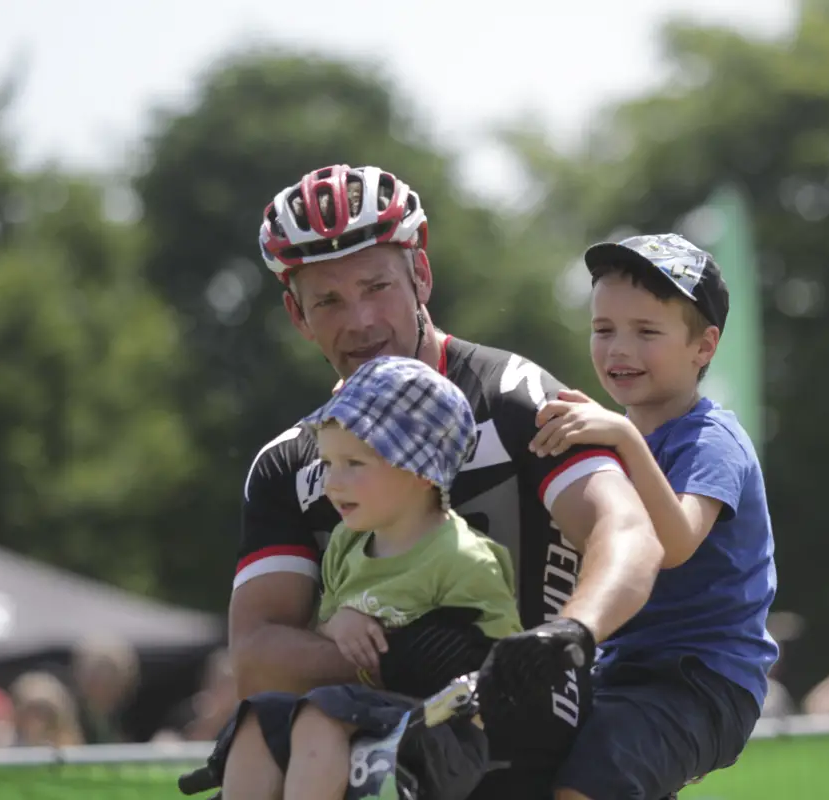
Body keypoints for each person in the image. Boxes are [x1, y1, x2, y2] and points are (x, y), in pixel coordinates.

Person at [223, 164, 662, 799]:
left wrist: (569, 631)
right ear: (298, 315)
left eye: (378, 286)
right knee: (254, 735)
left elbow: (628, 533)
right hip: (383, 755)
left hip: (536, 756)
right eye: (329, 301)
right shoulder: (288, 464)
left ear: (420, 276)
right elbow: (257, 655)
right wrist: (401, 656)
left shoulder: (516, 398)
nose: (362, 320)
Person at [522, 232, 777, 799]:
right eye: (603, 329)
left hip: (701, 679)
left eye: (646, 332)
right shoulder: (611, 442)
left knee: (588, 781)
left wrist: (621, 440)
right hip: (621, 670)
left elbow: (677, 542)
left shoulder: (713, 441)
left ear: (704, 347)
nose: (619, 350)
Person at [277, 355, 520, 800]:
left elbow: (502, 668)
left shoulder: (465, 558)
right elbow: (325, 628)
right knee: (259, 719)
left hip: (436, 739)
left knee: (316, 714)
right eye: (328, 463)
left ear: (418, 467)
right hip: (354, 721)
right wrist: (338, 623)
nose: (332, 483)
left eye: (353, 463)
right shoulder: (343, 546)